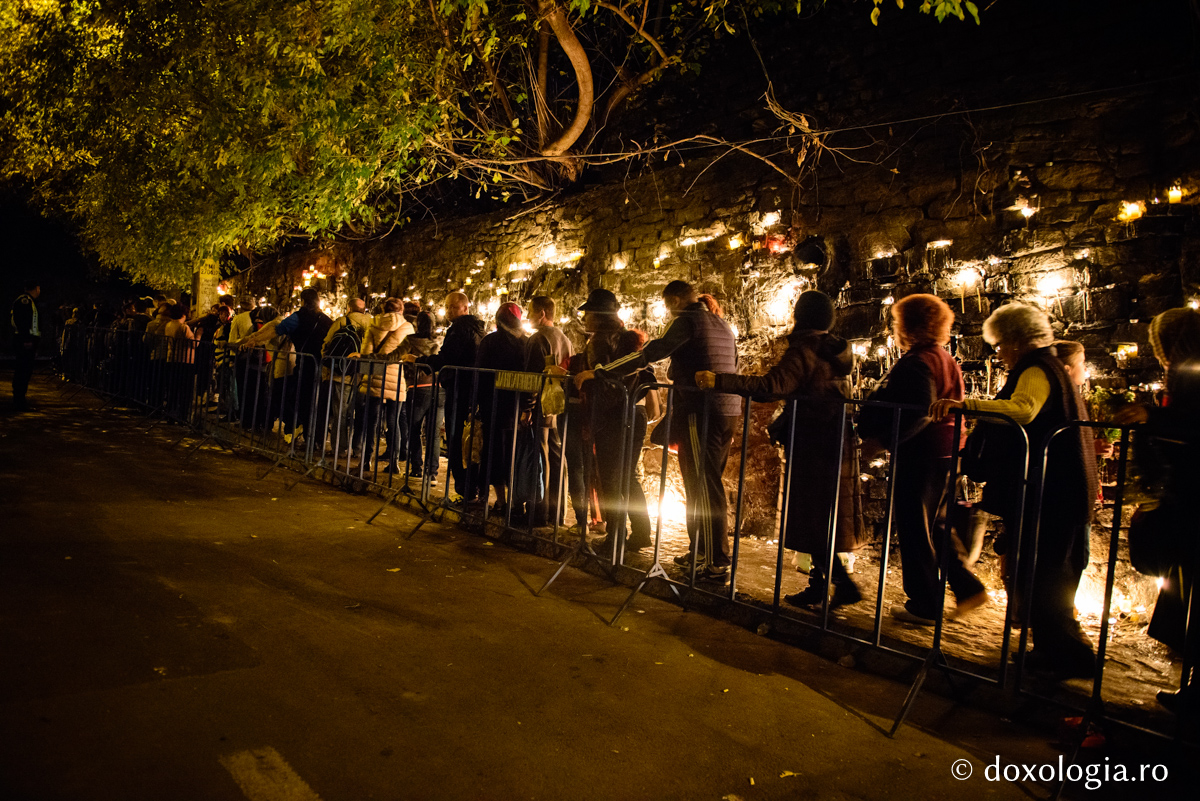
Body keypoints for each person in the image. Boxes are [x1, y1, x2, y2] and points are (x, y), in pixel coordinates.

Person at [932, 303, 1098, 681]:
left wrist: (965, 406)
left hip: (1051, 489)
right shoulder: (1052, 365)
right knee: (1047, 571)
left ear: (1019, 341)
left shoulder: (1037, 368)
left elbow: (1024, 410)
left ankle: (1065, 655)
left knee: (1046, 573)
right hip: (1059, 486)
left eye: (1002, 345)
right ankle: (1054, 651)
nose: (999, 354)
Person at [698, 290, 861, 605]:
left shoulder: (805, 351)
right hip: (835, 441)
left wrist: (720, 381)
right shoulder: (837, 352)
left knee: (813, 518)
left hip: (813, 444)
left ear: (800, 317)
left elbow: (770, 387)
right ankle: (822, 585)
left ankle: (841, 583)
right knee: (820, 517)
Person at [587, 280, 739, 583]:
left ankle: (716, 561)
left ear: (675, 299)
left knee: (703, 486)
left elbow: (653, 352)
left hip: (701, 408)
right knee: (700, 482)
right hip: (728, 410)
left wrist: (605, 371)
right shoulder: (720, 323)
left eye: (668, 304)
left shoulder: (688, 321)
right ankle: (700, 550)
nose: (668, 311)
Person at [858, 294, 985, 624]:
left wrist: (882, 441)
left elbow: (920, 412)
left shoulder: (917, 362)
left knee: (915, 528)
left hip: (923, 453)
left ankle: (925, 604)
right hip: (947, 451)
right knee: (937, 527)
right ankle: (967, 587)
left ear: (907, 325)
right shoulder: (944, 357)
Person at [1114, 308, 1200, 713]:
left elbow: (1189, 425)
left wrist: (1153, 416)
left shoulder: (1189, 373)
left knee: (1189, 589)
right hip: (1186, 496)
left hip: (1191, 497)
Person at [402, 292, 485, 503]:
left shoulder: (459, 330)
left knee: (457, 438)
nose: (449, 312)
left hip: (459, 388)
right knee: (468, 440)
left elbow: (447, 357)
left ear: (465, 308)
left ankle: (464, 491)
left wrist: (420, 361)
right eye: (447, 307)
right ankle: (472, 489)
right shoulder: (478, 329)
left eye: (453, 308)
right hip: (471, 389)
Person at [241, 288, 332, 444]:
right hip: (324, 366)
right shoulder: (327, 320)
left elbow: (276, 330)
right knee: (319, 402)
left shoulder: (298, 317)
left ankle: (305, 434)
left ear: (303, 301)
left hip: (305, 364)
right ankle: (316, 440)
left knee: (303, 400)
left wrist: (254, 341)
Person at [523, 295, 574, 526]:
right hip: (560, 404)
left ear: (542, 313)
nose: (528, 317)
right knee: (556, 456)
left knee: (541, 456)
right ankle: (558, 513)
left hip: (543, 404)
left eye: (531, 312)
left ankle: (539, 513)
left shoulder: (537, 339)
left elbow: (532, 379)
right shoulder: (565, 338)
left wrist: (527, 408)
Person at [474, 302, 528, 514]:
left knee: (496, 452)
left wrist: (476, 402)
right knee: (515, 453)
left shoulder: (491, 341)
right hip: (517, 407)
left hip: (494, 404)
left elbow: (480, 372)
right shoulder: (526, 342)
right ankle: (516, 502)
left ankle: (502, 501)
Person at [358, 298, 414, 473]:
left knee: (371, 422)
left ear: (383, 309)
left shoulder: (374, 325)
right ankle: (394, 462)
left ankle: (366, 460)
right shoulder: (408, 328)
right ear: (401, 309)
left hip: (375, 377)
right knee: (394, 421)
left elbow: (366, 353)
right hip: (396, 378)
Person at [403, 311, 442, 480]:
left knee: (414, 429)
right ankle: (432, 472)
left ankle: (416, 467)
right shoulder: (440, 341)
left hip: (418, 387)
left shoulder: (410, 341)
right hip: (439, 388)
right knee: (433, 432)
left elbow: (393, 355)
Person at [10, 280, 41, 411]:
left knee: (24, 370)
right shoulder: (25, 301)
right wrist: (27, 339)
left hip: (24, 340)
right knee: (23, 370)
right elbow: (23, 322)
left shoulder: (25, 300)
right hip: (25, 342)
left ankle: (20, 400)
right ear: (37, 288)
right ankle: (19, 401)